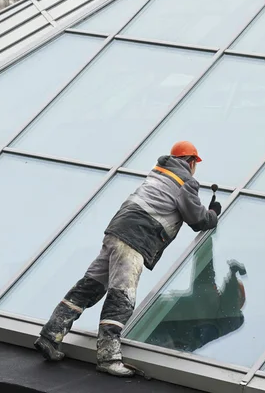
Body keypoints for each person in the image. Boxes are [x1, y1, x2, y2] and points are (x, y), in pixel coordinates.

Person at [34, 141, 222, 377]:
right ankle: (108, 357)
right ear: (191, 162)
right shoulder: (186, 181)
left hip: (116, 232)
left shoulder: (158, 173)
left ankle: (50, 336)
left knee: (89, 286)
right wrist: (213, 213)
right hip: (136, 237)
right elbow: (197, 219)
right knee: (122, 296)